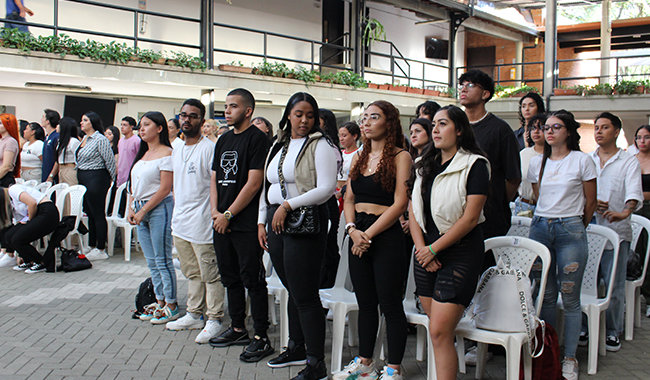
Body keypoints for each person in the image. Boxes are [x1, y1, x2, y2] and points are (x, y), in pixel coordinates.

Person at [258, 92, 337, 380]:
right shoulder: (279, 144)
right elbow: (267, 186)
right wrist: (260, 221)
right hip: (277, 223)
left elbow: (327, 188)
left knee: (305, 295)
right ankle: (296, 347)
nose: (304, 120)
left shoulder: (321, 145)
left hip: (305, 224)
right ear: (288, 115)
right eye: (298, 114)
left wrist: (289, 205)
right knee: (293, 290)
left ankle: (316, 364)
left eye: (310, 115)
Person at [408, 105, 490, 380]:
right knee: (437, 331)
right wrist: (422, 249)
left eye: (443, 124)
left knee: (441, 331)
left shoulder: (475, 164)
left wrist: (433, 249)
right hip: (425, 252)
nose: (435, 130)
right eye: (434, 125)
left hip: (459, 252)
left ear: (460, 129)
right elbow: (413, 208)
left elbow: (470, 219)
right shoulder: (424, 164)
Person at [336, 100, 411, 380]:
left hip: (385, 233)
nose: (366, 122)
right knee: (365, 303)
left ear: (389, 122)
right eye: (364, 117)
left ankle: (393, 369)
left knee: (390, 304)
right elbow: (350, 198)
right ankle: (366, 364)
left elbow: (400, 203)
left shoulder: (400, 156)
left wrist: (368, 234)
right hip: (358, 232)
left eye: (373, 117)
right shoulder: (359, 157)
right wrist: (353, 229)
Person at [527, 110, 597, 380]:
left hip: (570, 228)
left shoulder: (581, 160)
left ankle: (569, 357)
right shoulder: (537, 163)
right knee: (544, 295)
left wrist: (577, 227)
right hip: (541, 227)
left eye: (556, 127)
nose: (550, 131)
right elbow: (537, 196)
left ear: (568, 131)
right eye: (546, 127)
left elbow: (590, 201)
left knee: (570, 297)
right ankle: (548, 354)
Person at [208, 88, 273, 362]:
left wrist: (229, 214)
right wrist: (215, 212)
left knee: (252, 280)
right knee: (229, 278)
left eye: (233, 106)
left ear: (248, 111)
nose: (227, 111)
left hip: (243, 223)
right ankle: (237, 329)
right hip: (221, 221)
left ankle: (261, 336)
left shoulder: (257, 140)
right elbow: (214, 177)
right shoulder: (223, 140)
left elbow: (254, 183)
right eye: (226, 106)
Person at [165, 99, 226, 345]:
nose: (187, 120)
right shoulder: (176, 146)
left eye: (193, 116)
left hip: (202, 222)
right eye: (183, 115)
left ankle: (214, 318)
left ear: (202, 120)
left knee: (210, 273)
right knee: (191, 272)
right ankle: (194, 314)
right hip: (180, 221)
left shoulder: (210, 148)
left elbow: (216, 186)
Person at [585, 112, 643, 352]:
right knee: (585, 283)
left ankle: (612, 331)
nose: (598, 131)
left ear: (616, 131)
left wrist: (625, 211)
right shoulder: (586, 159)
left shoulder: (628, 160)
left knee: (614, 285)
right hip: (589, 230)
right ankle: (584, 328)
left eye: (605, 127)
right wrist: (590, 201)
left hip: (616, 230)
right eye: (596, 127)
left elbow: (634, 191)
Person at [458, 69, 521, 263]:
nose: (463, 89)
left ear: (485, 94)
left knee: (486, 275)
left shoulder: (500, 129)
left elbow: (513, 177)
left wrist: (497, 200)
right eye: (461, 85)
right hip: (456, 211)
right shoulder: (454, 127)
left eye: (470, 85)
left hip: (489, 217)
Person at [126, 111, 177, 324]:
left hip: (158, 209)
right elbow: (132, 185)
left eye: (147, 124)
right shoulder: (143, 153)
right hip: (139, 209)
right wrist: (131, 208)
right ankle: (159, 300)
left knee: (163, 258)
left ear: (159, 128)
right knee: (151, 261)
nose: (142, 128)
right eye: (141, 125)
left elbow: (165, 188)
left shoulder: (167, 153)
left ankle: (171, 304)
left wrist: (143, 210)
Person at [76, 111, 116, 261]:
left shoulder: (100, 139)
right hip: (84, 177)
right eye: (81, 120)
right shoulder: (85, 138)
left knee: (98, 213)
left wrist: (111, 179)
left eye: (85, 120)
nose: (82, 123)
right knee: (90, 213)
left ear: (92, 122)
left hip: (97, 177)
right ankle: (92, 245)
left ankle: (100, 248)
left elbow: (109, 161)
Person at [0, 184, 59, 273]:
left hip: (46, 212)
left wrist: (30, 221)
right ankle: (27, 260)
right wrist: (20, 253)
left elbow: (32, 203)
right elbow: (20, 220)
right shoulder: (10, 205)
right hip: (34, 215)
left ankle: (41, 262)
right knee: (9, 236)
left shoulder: (13, 190)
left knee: (17, 239)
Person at [319, 109, 343, 289]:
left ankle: (328, 288)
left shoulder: (329, 146)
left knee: (328, 250)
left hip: (326, 203)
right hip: (320, 202)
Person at [513, 113, 547, 216]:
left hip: (547, 208)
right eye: (533, 128)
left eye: (541, 128)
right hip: (523, 205)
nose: (536, 131)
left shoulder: (554, 156)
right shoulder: (523, 154)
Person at [49, 117, 81, 186]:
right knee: (62, 193)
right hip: (61, 169)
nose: (57, 126)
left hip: (70, 168)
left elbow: (79, 158)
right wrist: (52, 175)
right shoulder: (60, 141)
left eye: (59, 124)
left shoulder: (73, 141)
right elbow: (58, 160)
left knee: (70, 192)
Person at [117, 116, 140, 187]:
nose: (122, 127)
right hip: (120, 176)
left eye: (125, 125)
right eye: (121, 124)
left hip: (131, 177)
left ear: (131, 127)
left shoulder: (137, 141)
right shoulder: (121, 140)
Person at [0, 113, 21, 187]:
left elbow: (6, 166)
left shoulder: (11, 141)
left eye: (0, 123)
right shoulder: (2, 140)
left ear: (8, 125)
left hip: (4, 180)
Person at [41, 109, 60, 183]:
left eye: (43, 117)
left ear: (48, 121)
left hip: (53, 177)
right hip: (45, 174)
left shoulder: (56, 136)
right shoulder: (47, 137)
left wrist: (51, 175)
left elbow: (57, 159)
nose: (41, 119)